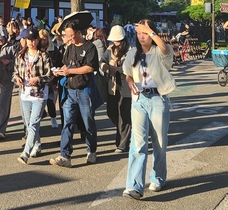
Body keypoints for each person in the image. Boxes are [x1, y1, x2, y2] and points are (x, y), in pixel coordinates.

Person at [122, 19, 175, 200]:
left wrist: (151, 32)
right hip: (139, 100)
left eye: (145, 32)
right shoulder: (133, 53)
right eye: (139, 33)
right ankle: (134, 186)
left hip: (158, 99)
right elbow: (127, 72)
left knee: (159, 142)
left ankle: (158, 177)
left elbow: (166, 50)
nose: (141, 36)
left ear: (152, 33)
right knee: (138, 144)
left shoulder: (158, 52)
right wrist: (130, 83)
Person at [50, 19, 100, 168]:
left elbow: (90, 68)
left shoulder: (90, 47)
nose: (69, 38)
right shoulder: (69, 48)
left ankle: (91, 150)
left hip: (85, 91)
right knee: (67, 122)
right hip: (70, 90)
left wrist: (70, 71)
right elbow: (66, 64)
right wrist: (60, 71)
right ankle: (65, 155)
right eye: (67, 35)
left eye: (71, 35)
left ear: (79, 32)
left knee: (88, 122)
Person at [13, 29, 53, 164]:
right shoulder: (20, 56)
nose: (31, 42)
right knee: (28, 123)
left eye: (34, 39)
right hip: (25, 93)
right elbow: (15, 72)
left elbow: (50, 75)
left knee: (34, 123)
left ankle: (26, 153)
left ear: (38, 40)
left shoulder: (44, 56)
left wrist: (38, 79)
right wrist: (17, 78)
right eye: (29, 40)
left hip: (39, 94)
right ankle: (37, 144)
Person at [100, 25, 132, 153]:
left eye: (117, 40)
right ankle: (125, 133)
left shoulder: (130, 51)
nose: (115, 42)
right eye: (114, 40)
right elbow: (101, 61)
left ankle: (122, 145)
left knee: (124, 115)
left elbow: (131, 68)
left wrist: (118, 69)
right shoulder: (109, 50)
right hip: (112, 87)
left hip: (125, 87)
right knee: (112, 112)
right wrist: (105, 66)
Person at [38, 29, 59, 128]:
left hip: (51, 78)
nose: (44, 41)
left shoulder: (53, 49)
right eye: (41, 39)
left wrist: (55, 82)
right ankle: (42, 114)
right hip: (39, 79)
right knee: (39, 100)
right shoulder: (36, 50)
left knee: (50, 100)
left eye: (45, 39)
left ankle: (53, 117)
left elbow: (58, 64)